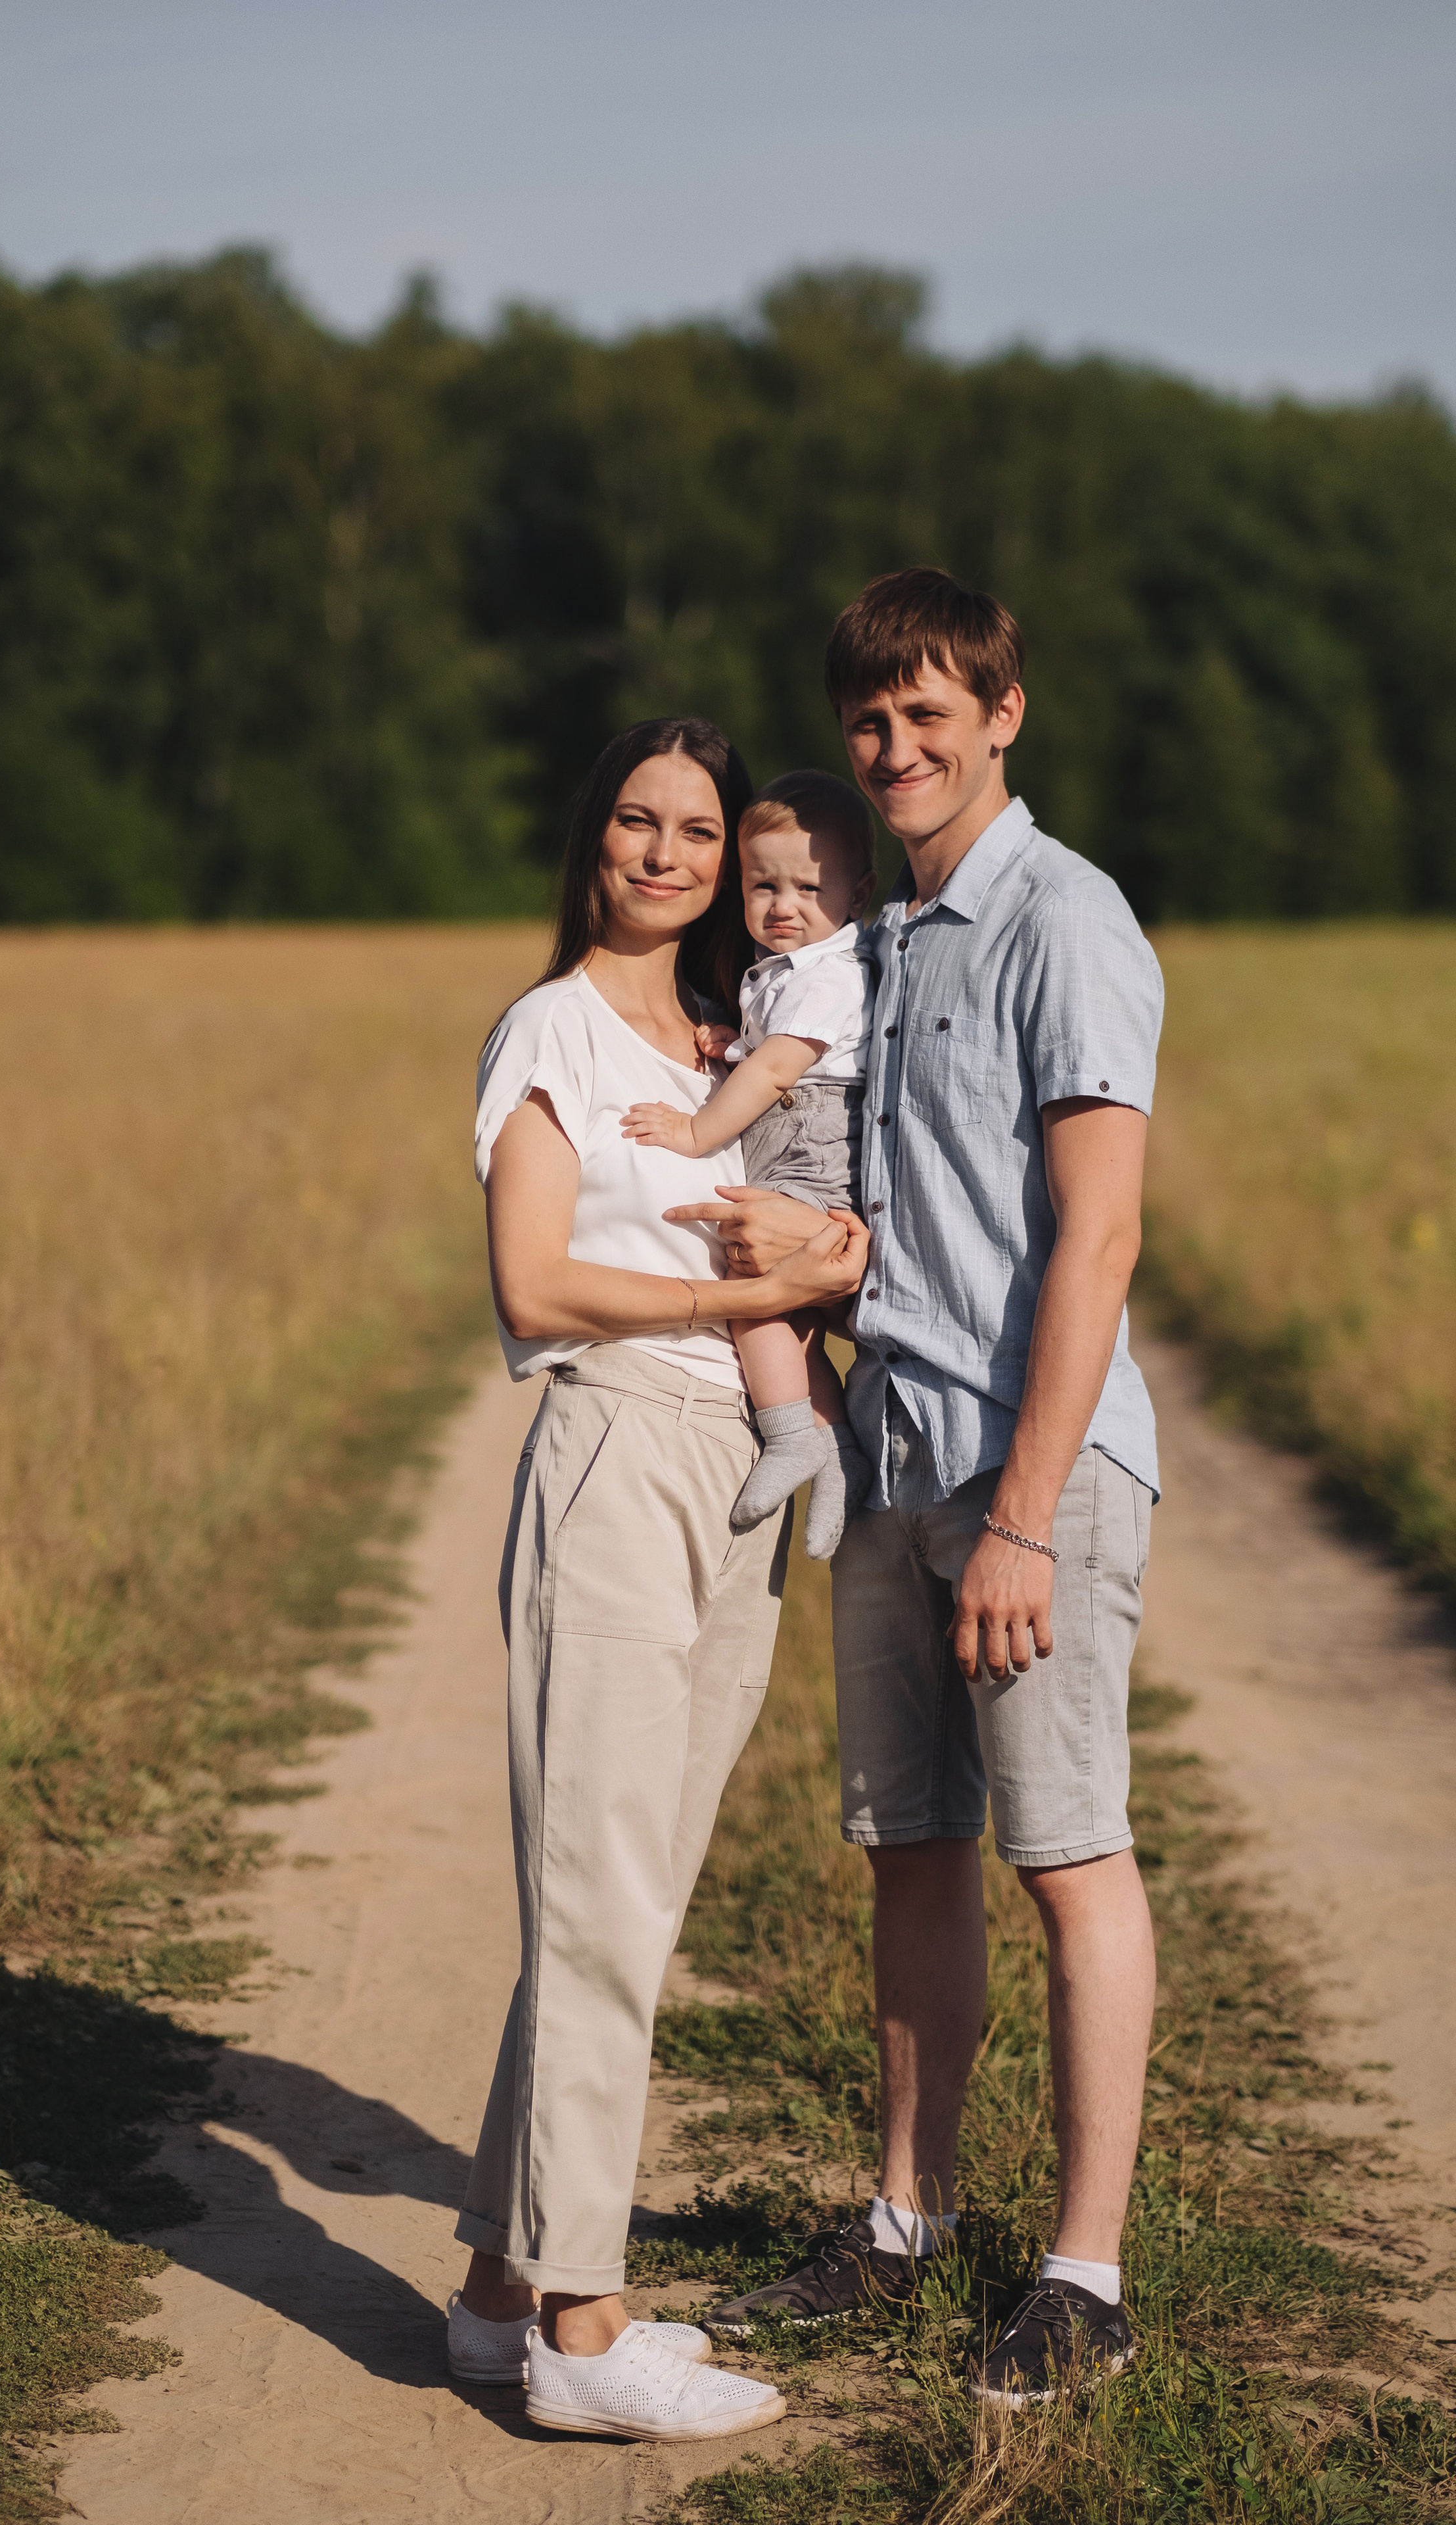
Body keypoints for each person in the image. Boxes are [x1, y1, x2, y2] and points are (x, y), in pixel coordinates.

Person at [670, 569, 1162, 2409]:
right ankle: (907, 2220)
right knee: (910, 1848)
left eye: (928, 712)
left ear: (1002, 713)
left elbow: (1095, 1239)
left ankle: (1084, 2278)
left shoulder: (1062, 920)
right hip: (885, 1458)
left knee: (1067, 1851)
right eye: (868, 720)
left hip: (1029, 1470)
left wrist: (1023, 1511)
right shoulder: (880, 944)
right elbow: (893, 1203)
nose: (893, 748)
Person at [448, 715, 868, 2443]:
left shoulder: (730, 1035)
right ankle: (582, 2326)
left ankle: (497, 2299)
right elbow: (534, 1285)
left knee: (630, 1888)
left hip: (734, 1476)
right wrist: (731, 1301)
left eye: (699, 830)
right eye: (638, 819)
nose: (667, 853)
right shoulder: (549, 1029)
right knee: (598, 1890)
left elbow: (819, 1204)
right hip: (618, 1446)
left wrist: (830, 1252)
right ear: (595, 836)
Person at [621, 770, 878, 1562]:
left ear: (858, 893)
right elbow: (768, 1054)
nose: (782, 906)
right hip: (792, 1144)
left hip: (812, 1156)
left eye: (809, 888)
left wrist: (695, 1132)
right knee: (786, 1314)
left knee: (753, 1292)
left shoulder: (832, 973)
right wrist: (733, 1043)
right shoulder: (788, 971)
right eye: (764, 886)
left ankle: (791, 1434)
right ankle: (833, 1446)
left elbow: (777, 1073)